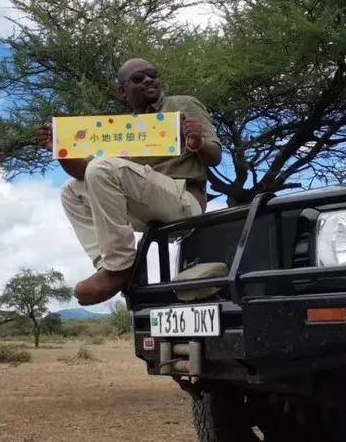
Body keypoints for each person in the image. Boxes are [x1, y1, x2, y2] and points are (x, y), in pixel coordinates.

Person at [36, 58, 222, 305]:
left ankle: (119, 267)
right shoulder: (123, 130)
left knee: (102, 167)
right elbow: (87, 174)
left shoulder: (181, 104)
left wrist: (198, 144)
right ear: (122, 92)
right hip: (145, 205)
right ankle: (114, 266)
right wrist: (61, 149)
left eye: (152, 74)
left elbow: (215, 157)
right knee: (72, 191)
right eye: (137, 78)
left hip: (183, 200)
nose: (148, 80)